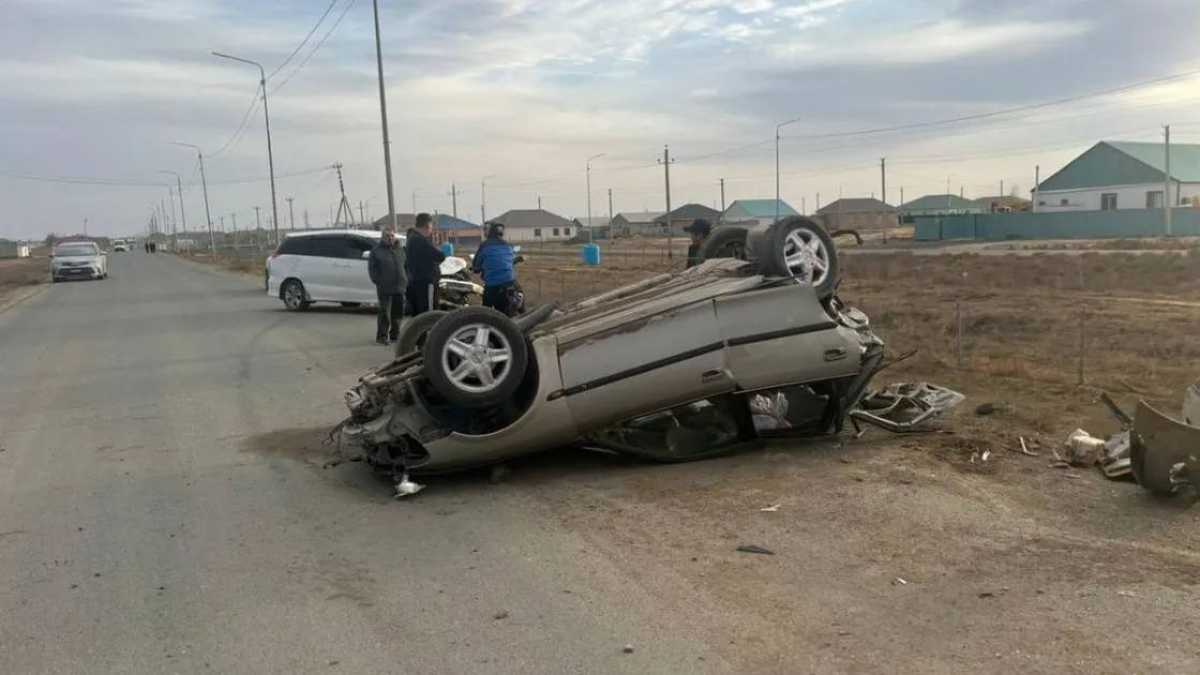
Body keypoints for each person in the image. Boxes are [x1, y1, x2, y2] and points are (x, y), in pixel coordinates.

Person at [368, 228, 407, 345]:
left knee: (398, 312)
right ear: (382, 237)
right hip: (384, 287)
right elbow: (372, 270)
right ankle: (382, 336)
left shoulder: (400, 250)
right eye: (387, 236)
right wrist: (378, 281)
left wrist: (406, 278)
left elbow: (406, 266)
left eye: (391, 236)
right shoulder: (376, 251)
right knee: (385, 312)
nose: (390, 238)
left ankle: (395, 335)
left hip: (400, 286)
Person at [404, 212, 445, 316]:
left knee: (419, 314)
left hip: (416, 281)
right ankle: (429, 332)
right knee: (429, 314)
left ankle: (421, 332)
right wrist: (435, 244)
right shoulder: (420, 240)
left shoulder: (411, 238)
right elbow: (440, 256)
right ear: (427, 225)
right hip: (426, 282)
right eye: (431, 227)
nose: (431, 230)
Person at [472, 222, 516, 315]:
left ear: (490, 232)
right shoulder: (508, 245)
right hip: (509, 281)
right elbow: (511, 261)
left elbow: (476, 266)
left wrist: (476, 268)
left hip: (492, 285)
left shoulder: (485, 245)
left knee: (486, 313)